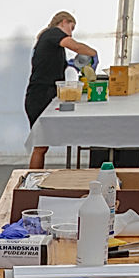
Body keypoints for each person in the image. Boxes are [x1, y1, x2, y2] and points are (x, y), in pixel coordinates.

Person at [24, 11, 97, 169]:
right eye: (71, 28)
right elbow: (76, 46)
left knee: (42, 146)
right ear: (64, 22)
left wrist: (71, 64)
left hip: (43, 94)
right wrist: (93, 53)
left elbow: (52, 66)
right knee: (41, 145)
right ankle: (31, 182)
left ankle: (34, 180)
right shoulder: (52, 34)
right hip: (40, 96)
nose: (71, 33)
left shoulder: (51, 43)